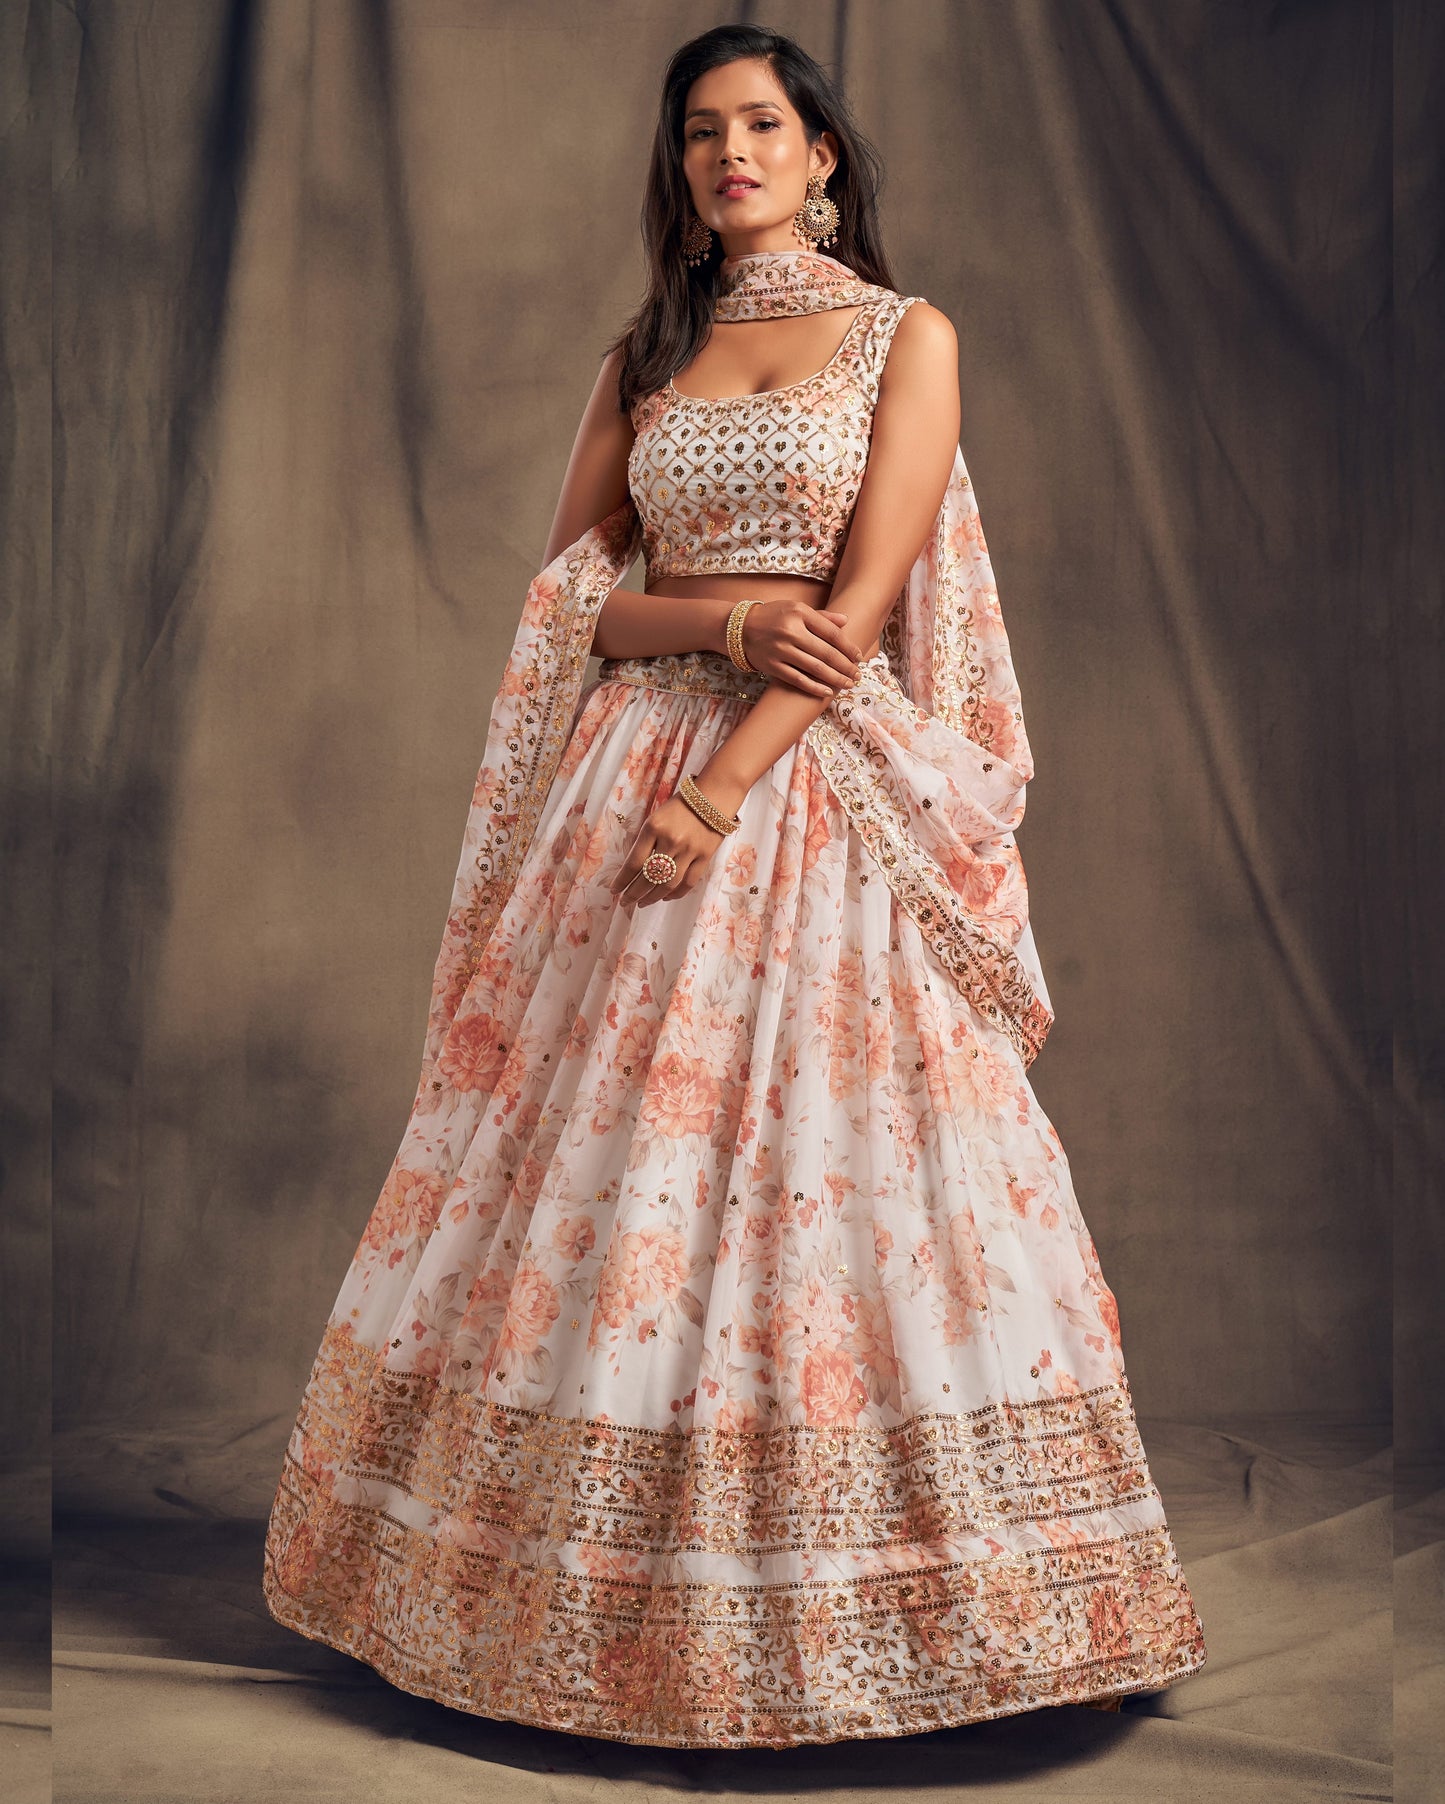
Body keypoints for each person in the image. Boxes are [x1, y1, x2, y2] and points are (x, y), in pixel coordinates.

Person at [261, 22, 1207, 1750]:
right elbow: (576, 600)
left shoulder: (901, 339)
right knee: (604, 1177)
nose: (731, 154)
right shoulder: (651, 352)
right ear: (681, 168)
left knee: (843, 1170)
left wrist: (718, 779)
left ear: (823, 151)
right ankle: (577, 1606)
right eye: (701, 132)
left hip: (801, 789)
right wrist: (711, 620)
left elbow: (855, 609)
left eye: (762, 123)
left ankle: (915, 1613)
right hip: (631, 780)